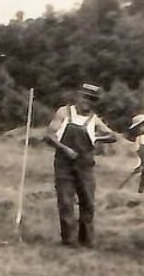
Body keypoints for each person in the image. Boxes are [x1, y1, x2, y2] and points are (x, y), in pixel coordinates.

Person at [42, 83, 118, 248]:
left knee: (88, 202)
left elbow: (113, 136)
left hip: (85, 165)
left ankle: (87, 240)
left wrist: (97, 138)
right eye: (85, 97)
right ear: (78, 97)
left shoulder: (94, 119)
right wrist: (65, 149)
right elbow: (48, 135)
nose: (87, 102)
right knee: (66, 201)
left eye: (92, 100)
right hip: (64, 164)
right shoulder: (64, 112)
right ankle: (69, 240)